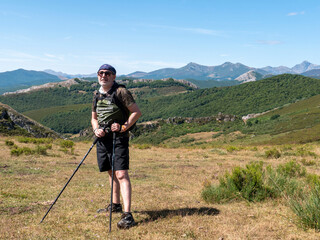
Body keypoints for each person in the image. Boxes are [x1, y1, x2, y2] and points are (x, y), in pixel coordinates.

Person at [91, 64, 142, 229]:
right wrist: (96, 129)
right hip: (103, 139)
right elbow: (93, 117)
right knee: (111, 172)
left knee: (121, 174)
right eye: (101, 73)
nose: (103, 76)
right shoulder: (97, 94)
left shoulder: (121, 92)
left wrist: (123, 127)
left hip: (119, 138)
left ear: (113, 76)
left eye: (107, 73)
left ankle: (128, 215)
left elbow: (136, 112)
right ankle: (115, 205)